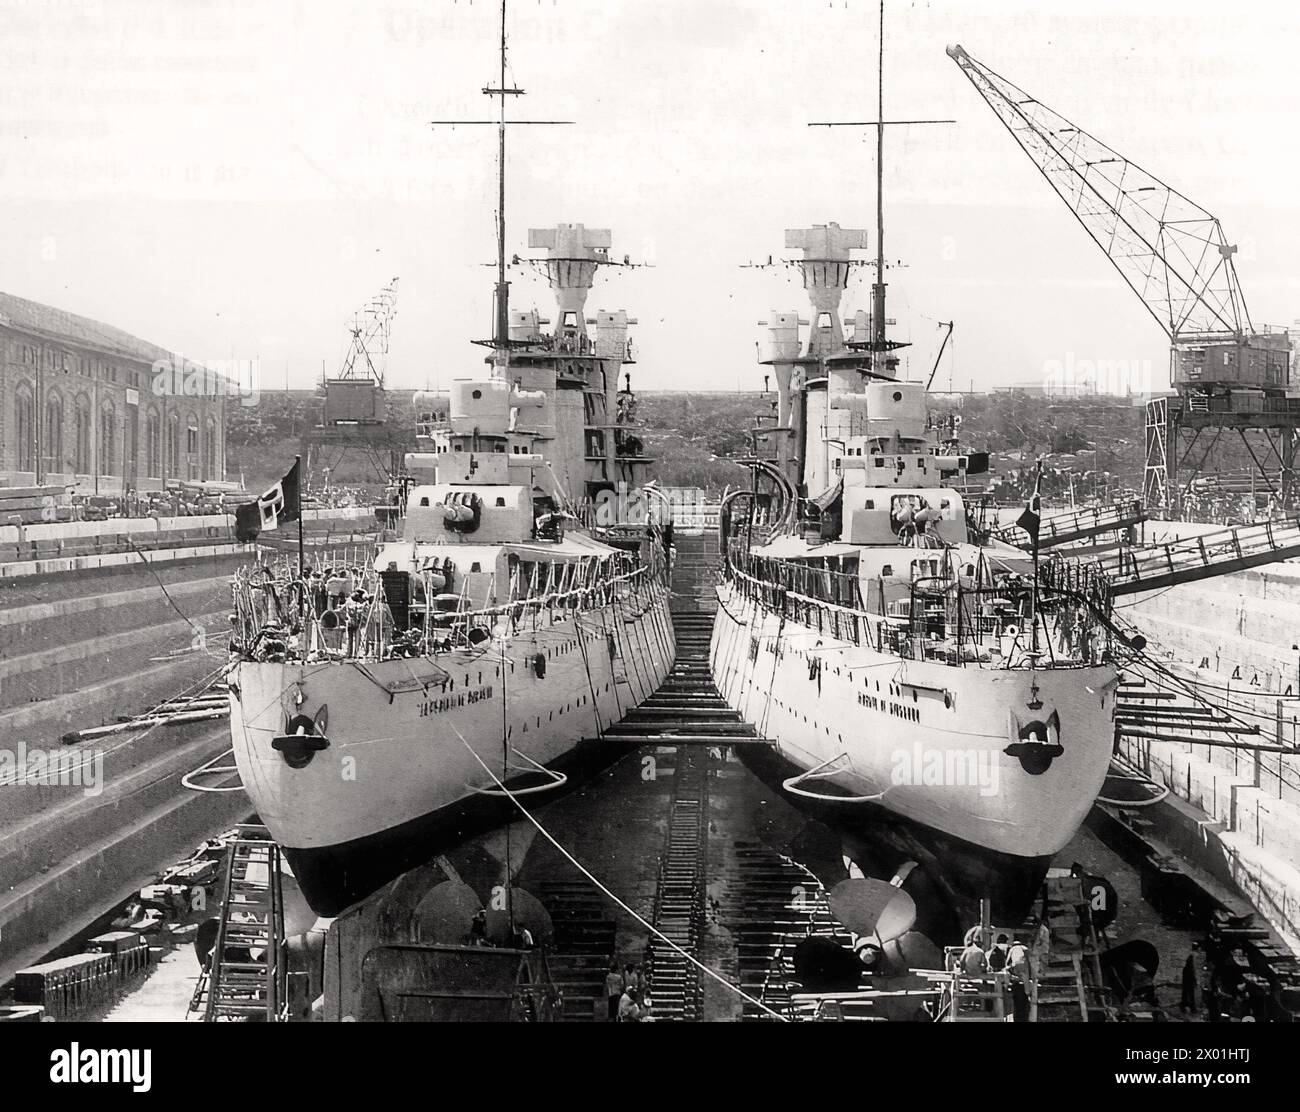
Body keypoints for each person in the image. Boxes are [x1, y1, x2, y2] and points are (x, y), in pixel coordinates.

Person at [1007, 937, 1031, 1022]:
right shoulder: (1025, 949)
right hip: (1026, 981)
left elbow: (1020, 965)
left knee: (1019, 1007)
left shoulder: (1015, 949)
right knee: (1024, 1007)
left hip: (1020, 982)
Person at [1180, 949, 1199, 1014]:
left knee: (1186, 994)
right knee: (1190, 994)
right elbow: (1192, 973)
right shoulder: (1189, 967)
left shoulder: (1186, 968)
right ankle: (1191, 1008)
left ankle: (1185, 1006)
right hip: (1189, 981)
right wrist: (1195, 980)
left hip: (1187, 981)